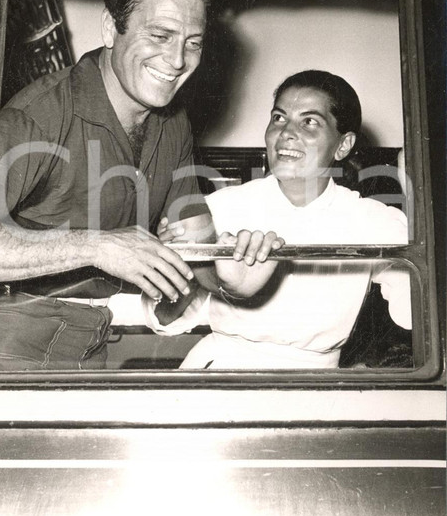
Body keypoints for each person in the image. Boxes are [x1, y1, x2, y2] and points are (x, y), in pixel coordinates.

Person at [0, 0, 282, 371]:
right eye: (160, 36)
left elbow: (195, 246)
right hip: (1, 338)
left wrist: (238, 275)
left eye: (193, 43)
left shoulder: (174, 121)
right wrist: (97, 245)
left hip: (92, 337)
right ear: (111, 28)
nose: (178, 60)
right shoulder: (42, 113)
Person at [157, 69, 412, 370]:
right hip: (217, 371)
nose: (287, 133)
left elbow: (413, 315)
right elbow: (164, 317)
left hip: (317, 387)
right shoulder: (216, 209)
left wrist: (416, 196)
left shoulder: (373, 222)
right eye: (279, 118)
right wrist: (183, 266)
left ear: (343, 145)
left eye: (309, 122)